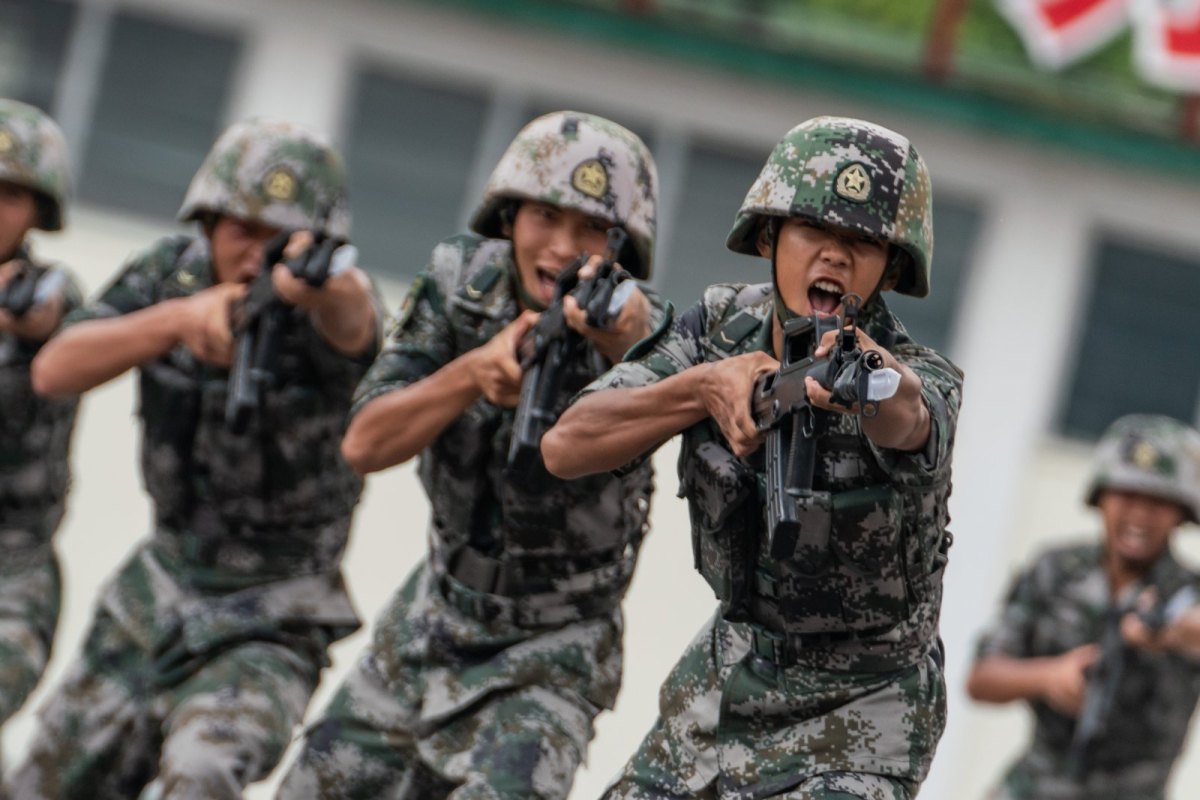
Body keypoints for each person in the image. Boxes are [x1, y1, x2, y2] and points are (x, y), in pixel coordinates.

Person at [544, 115, 962, 799]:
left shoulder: (918, 373)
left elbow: (910, 414)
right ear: (769, 235)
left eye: (861, 242)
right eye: (812, 232)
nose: (834, 256)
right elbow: (567, 445)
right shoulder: (715, 330)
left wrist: (868, 385)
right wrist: (700, 387)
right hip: (728, 679)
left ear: (892, 264)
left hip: (860, 712)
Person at [276, 110, 665, 800]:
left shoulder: (643, 332)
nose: (563, 248)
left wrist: (622, 339)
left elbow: (657, 357)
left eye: (590, 231)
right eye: (546, 216)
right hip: (434, 614)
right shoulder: (462, 282)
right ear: (509, 215)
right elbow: (365, 442)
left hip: (550, 651)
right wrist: (469, 375)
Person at [12, 118, 380, 799]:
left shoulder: (329, 302)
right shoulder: (169, 273)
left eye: (278, 236)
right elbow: (57, 368)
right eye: (238, 227)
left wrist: (324, 285)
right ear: (206, 220)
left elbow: (357, 324)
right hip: (157, 587)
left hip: (273, 612)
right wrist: (177, 320)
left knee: (203, 774)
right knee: (41, 782)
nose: (254, 250)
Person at [967, 414, 1200, 800]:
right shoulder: (1055, 570)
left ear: (1181, 513)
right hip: (1031, 788)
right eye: (1127, 495)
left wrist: (1176, 633)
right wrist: (1046, 676)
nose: (1140, 514)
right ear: (1101, 497)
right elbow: (981, 678)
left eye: (1159, 501)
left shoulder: (1187, 593)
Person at [0, 98, 82, 766]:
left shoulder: (48, 295)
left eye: (10, 195)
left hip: (11, 567)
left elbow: (51, 321)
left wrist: (26, 320)